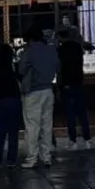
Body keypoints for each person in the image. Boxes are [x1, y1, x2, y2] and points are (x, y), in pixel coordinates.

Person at [17, 26, 59, 169]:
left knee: (32, 126)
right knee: (47, 125)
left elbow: (21, 69)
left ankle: (32, 158)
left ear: (29, 39)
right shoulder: (51, 50)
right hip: (48, 89)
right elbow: (58, 67)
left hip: (33, 92)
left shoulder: (29, 51)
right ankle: (46, 156)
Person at [0, 43, 21, 169]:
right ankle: (11, 159)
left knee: (1, 131)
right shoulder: (11, 67)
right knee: (13, 132)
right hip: (13, 99)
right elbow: (18, 80)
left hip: (0, 101)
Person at [58, 30, 91, 150]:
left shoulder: (61, 50)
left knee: (70, 114)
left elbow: (60, 69)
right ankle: (87, 139)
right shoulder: (77, 47)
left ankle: (73, 140)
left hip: (67, 85)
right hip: (79, 83)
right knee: (82, 113)